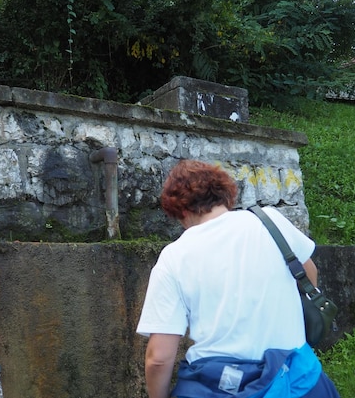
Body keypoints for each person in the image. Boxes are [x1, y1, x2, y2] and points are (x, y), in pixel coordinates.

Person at [136, 160, 340, 398]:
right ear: (225, 194)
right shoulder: (270, 222)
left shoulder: (173, 257)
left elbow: (159, 358)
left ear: (180, 211)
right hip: (296, 382)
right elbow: (309, 274)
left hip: (216, 386)